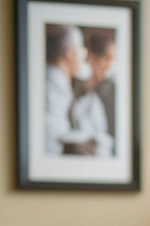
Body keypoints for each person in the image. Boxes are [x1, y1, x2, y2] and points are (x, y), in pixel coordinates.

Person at [44, 25, 99, 156]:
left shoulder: (60, 79)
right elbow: (52, 130)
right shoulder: (54, 81)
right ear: (70, 54)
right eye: (81, 50)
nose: (84, 56)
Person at [69, 29, 115, 158]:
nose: (109, 65)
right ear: (91, 57)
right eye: (106, 58)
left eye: (112, 60)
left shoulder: (111, 90)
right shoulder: (75, 85)